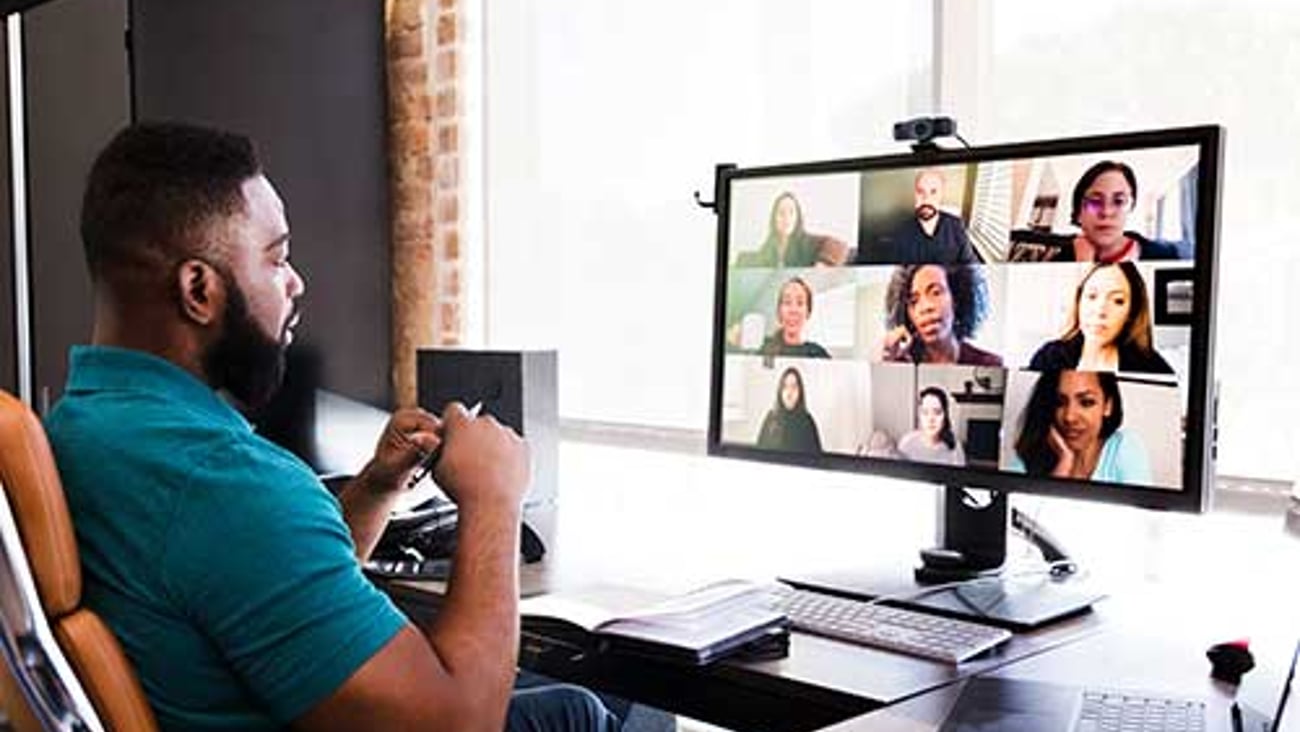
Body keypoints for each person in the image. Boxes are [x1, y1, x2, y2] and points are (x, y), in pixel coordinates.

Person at [43, 123, 618, 732]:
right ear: (198, 290)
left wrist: (375, 488)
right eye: (277, 258)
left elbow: (251, 587)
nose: (295, 283)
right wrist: (494, 497)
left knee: (569, 703)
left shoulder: (80, 428)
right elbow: (459, 721)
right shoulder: (224, 482)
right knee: (580, 713)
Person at [1029, 261, 1174, 374]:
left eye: (1117, 300)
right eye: (1092, 296)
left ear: (1132, 312)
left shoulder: (1153, 367)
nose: (1100, 311)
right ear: (1079, 302)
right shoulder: (1049, 357)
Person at [1009, 370, 1152, 483]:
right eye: (1060, 402)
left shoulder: (1124, 447)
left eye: (1086, 402)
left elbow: (1143, 516)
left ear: (1107, 405)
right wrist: (1064, 463)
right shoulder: (1029, 453)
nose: (1069, 417)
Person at [1040, 161, 1180, 263]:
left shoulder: (1164, 256)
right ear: (1078, 213)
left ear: (1131, 207)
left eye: (1119, 202)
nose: (1106, 212)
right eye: (1095, 202)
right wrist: (1083, 267)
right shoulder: (1060, 261)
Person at [881, 264, 1002, 365]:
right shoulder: (899, 362)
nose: (926, 307)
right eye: (914, 301)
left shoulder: (988, 364)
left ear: (956, 299)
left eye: (936, 293)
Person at [865, 168, 978, 264]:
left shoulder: (956, 225)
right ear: (915, 194)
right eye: (920, 192)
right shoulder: (901, 232)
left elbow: (972, 266)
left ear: (941, 194)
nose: (926, 199)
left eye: (933, 192)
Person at [735, 191, 846, 268]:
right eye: (781, 213)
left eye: (791, 212)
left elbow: (840, 246)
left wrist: (822, 266)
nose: (786, 218)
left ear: (798, 217)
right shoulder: (769, 246)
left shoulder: (808, 242)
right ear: (774, 218)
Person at [759, 276, 831, 358]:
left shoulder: (817, 354)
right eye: (787, 302)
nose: (793, 310)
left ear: (808, 312)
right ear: (779, 310)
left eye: (800, 303)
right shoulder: (765, 352)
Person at [756, 367, 823, 454]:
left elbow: (817, 458)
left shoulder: (807, 422)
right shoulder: (771, 419)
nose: (789, 393)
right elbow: (759, 454)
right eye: (785, 387)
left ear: (800, 392)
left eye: (794, 387)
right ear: (780, 391)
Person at [897, 387, 966, 466]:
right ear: (919, 416)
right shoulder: (907, 442)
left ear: (945, 416)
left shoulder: (955, 448)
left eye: (937, 412)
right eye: (925, 412)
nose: (931, 419)